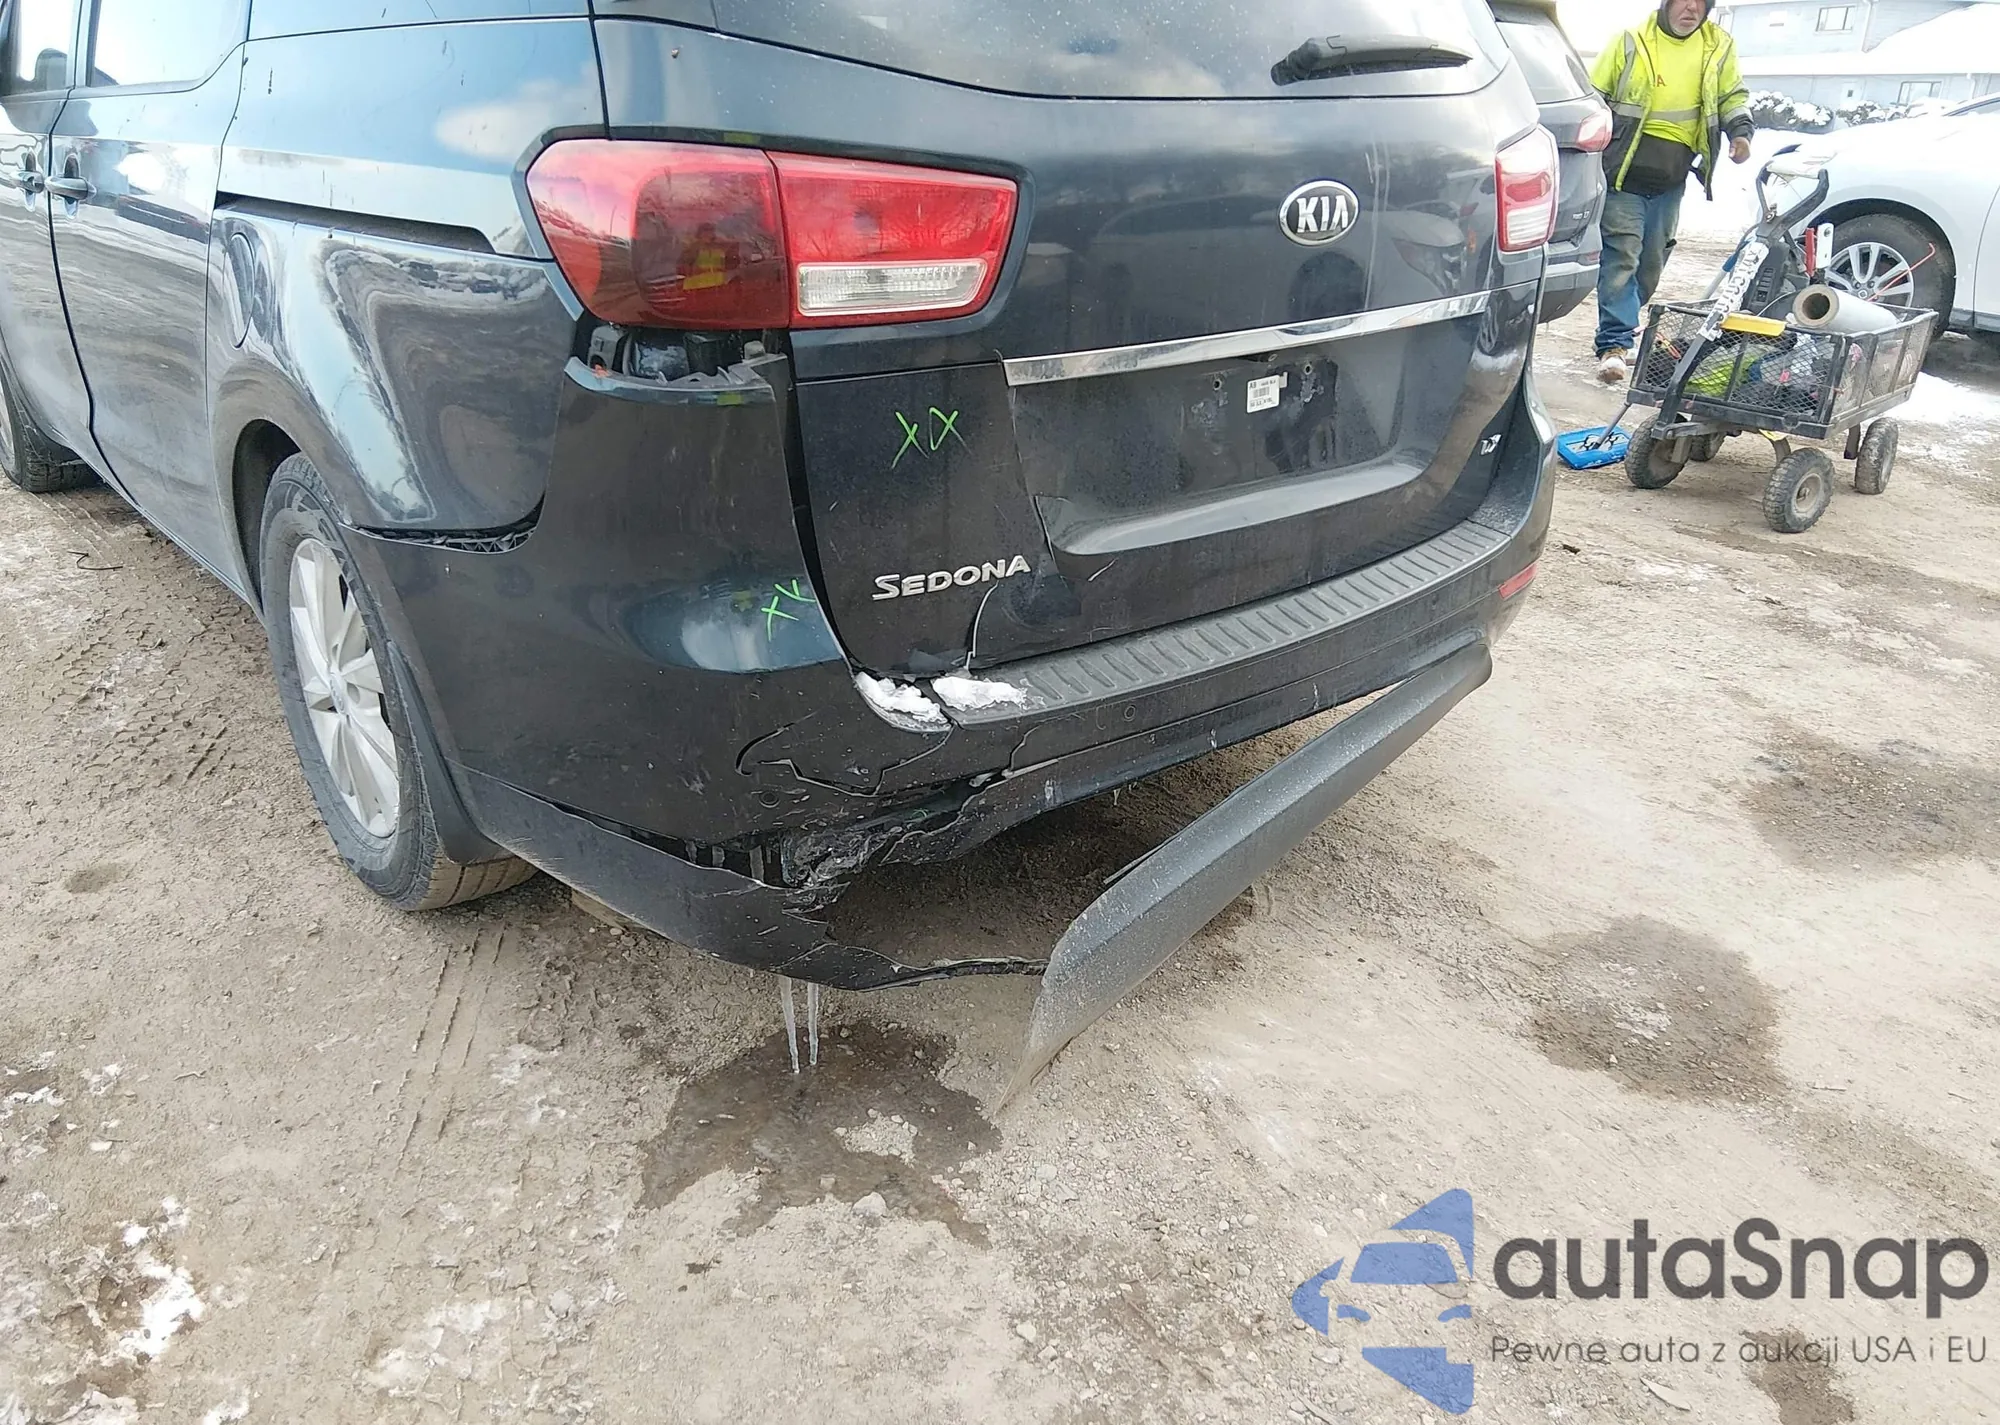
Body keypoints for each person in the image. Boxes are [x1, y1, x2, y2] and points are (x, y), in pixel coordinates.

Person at [1589, 0, 1754, 385]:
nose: (1691, 7)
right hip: (1623, 175)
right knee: (1621, 255)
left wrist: (1741, 133)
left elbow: (1732, 96)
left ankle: (1625, 326)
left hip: (1671, 179)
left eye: (1701, 1)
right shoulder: (1630, 42)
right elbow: (1593, 98)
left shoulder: (1718, 47)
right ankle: (1614, 345)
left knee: (1650, 265)